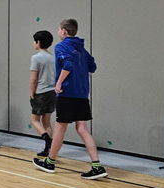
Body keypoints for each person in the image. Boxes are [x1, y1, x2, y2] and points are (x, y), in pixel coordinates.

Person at [33, 18, 108, 179]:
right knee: (82, 128)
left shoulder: (62, 46)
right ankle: (97, 165)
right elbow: (92, 66)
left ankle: (50, 162)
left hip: (67, 94)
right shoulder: (81, 49)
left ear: (64, 32)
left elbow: (68, 65)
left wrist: (59, 83)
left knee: (60, 127)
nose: (58, 32)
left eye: (59, 29)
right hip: (82, 94)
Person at [29, 30, 56, 156]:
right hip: (52, 92)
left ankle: (46, 139)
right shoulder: (53, 58)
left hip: (40, 93)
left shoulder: (36, 58)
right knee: (47, 121)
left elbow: (34, 79)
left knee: (34, 120)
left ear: (38, 43)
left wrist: (32, 93)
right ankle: (49, 150)